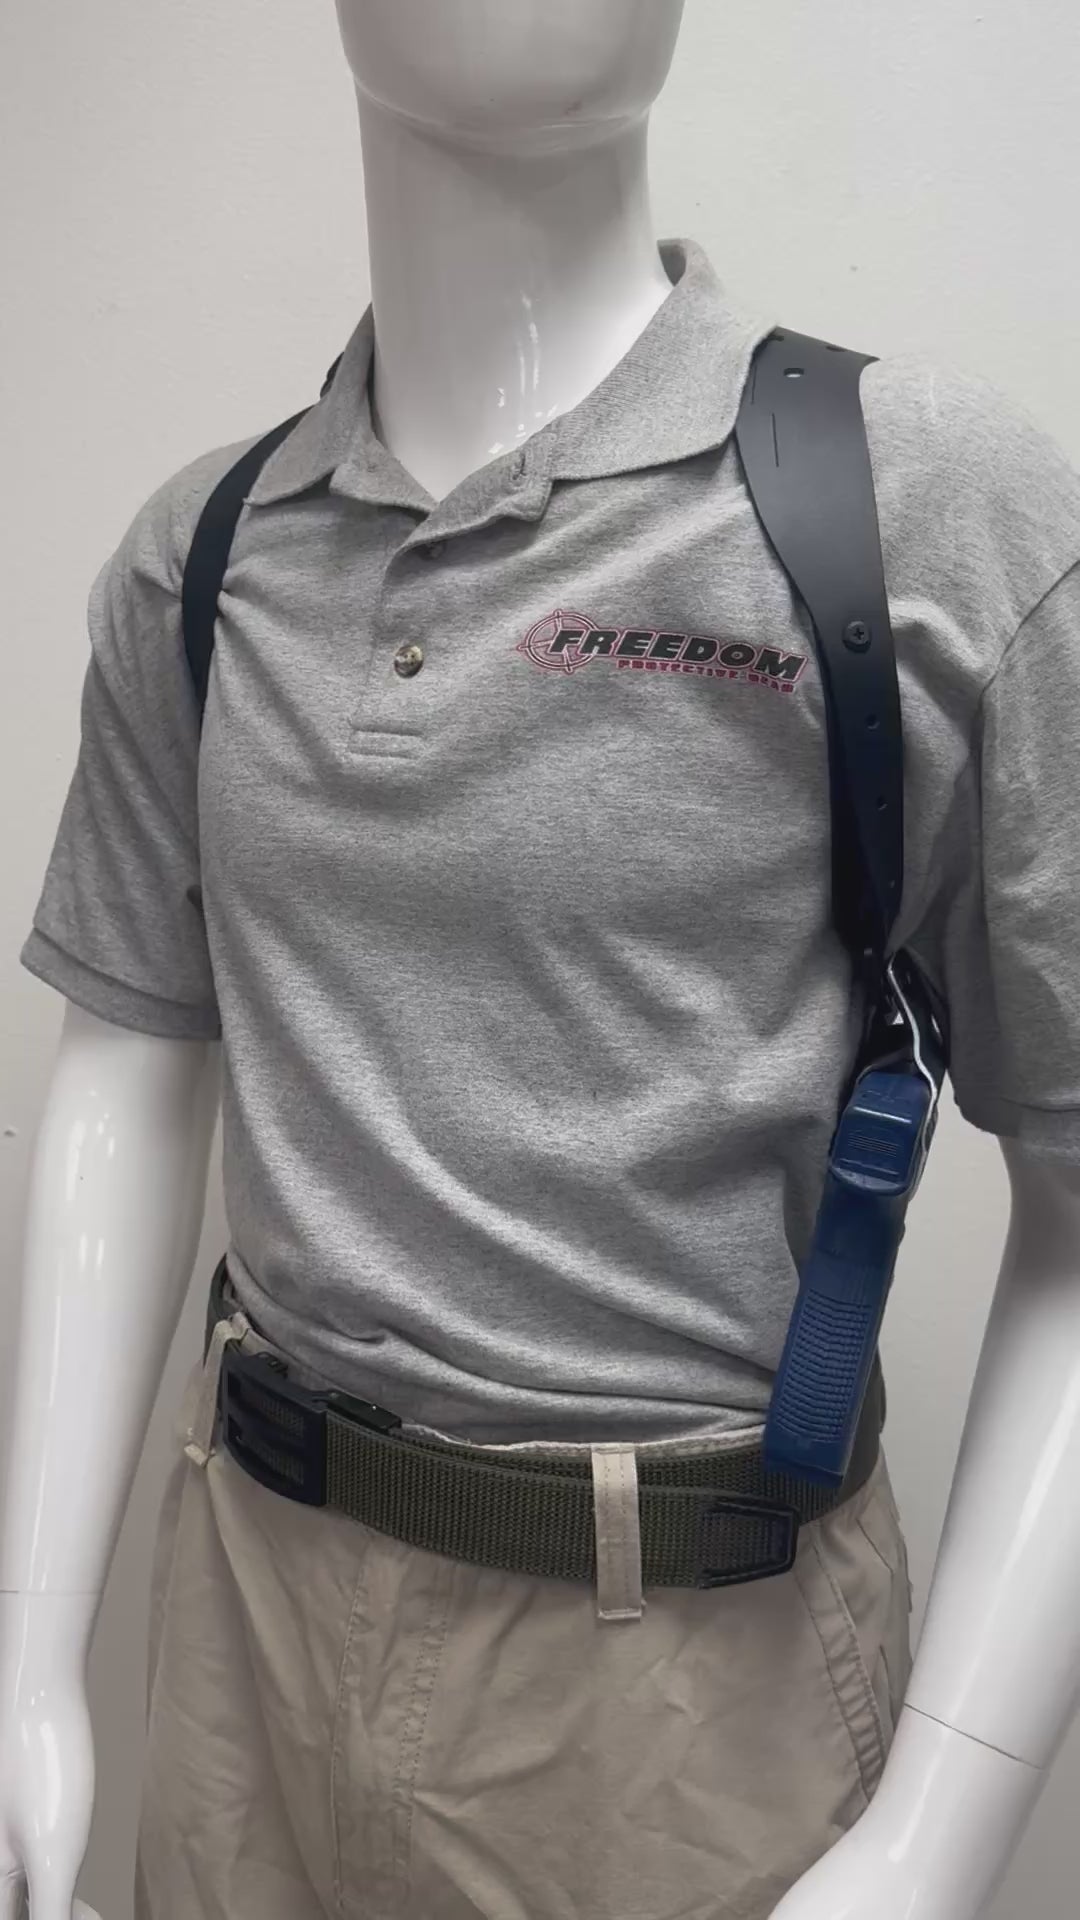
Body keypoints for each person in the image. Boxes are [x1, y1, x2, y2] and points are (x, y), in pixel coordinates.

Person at [4, 4, 1080, 1916]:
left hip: (681, 1702)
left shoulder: (918, 510)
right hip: (243, 1630)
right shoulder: (202, 558)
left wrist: (933, 1836)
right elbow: (129, 1066)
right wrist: (28, 1656)